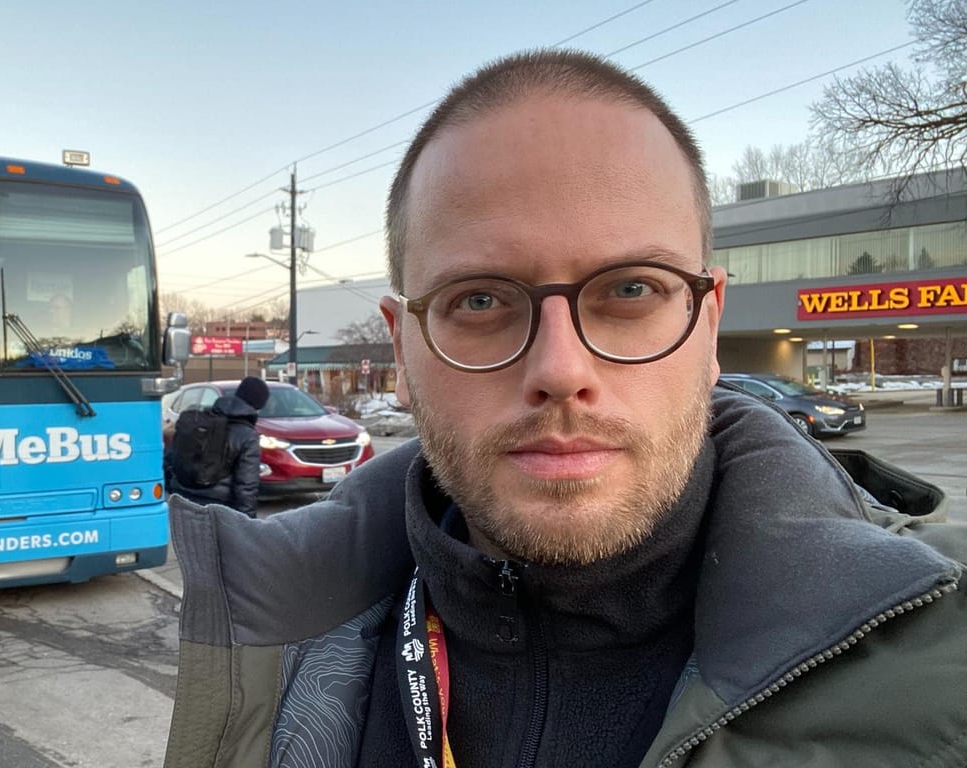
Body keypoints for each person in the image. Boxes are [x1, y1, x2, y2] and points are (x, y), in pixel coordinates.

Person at [162, 51, 967, 767]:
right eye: (480, 299)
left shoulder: (941, 648)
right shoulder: (273, 647)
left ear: (708, 323)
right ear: (402, 349)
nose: (559, 369)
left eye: (630, 290)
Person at [167, 376, 270, 518]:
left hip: (182, 499)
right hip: (219, 507)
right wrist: (248, 523)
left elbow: (170, 458)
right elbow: (246, 486)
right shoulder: (247, 435)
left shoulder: (201, 421)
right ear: (258, 405)